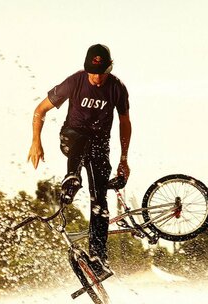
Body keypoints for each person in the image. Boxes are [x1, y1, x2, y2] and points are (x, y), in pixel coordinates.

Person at [27, 44, 132, 277]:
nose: (95, 78)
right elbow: (40, 109)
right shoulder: (75, 81)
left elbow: (125, 122)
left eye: (101, 73)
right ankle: (71, 177)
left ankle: (98, 257)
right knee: (83, 137)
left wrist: (123, 159)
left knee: (100, 201)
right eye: (91, 72)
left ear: (110, 68)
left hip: (99, 149)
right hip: (71, 139)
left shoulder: (117, 88)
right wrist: (36, 141)